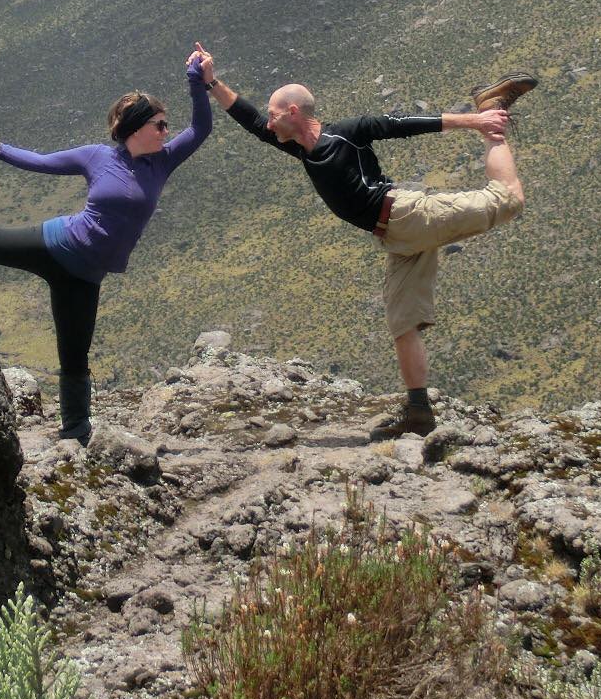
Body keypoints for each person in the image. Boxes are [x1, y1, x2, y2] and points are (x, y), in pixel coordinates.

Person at [197, 44, 533, 438]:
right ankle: (419, 413)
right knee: (402, 323)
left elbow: (400, 123)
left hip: (408, 215)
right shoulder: (301, 149)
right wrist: (211, 83)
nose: (269, 125)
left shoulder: (345, 134)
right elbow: (250, 119)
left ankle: (492, 114)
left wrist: (475, 121)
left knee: (509, 199)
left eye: (275, 117)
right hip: (396, 238)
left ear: (292, 113)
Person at [0, 49, 214, 444]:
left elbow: (201, 128)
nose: (166, 131)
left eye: (165, 126)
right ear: (137, 127)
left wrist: (198, 80)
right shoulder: (97, 157)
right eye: (159, 124)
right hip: (54, 244)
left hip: (86, 276)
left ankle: (75, 432)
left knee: (74, 356)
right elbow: (41, 162)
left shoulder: (163, 161)